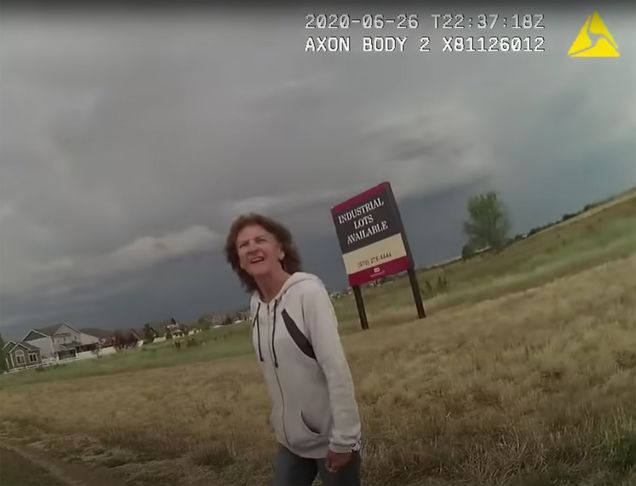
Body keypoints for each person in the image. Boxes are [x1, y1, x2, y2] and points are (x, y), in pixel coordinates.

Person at [225, 213, 362, 486]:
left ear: (280, 249)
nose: (252, 247)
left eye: (260, 240)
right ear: (239, 260)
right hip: (290, 440)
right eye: (243, 245)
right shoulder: (256, 306)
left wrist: (344, 439)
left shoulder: (307, 294)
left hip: (329, 439)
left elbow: (336, 368)